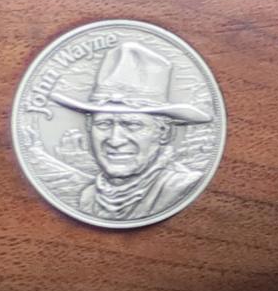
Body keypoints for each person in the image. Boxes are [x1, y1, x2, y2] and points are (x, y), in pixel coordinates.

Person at [47, 39, 216, 224]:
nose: (115, 140)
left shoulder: (181, 186)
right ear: (89, 127)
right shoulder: (88, 197)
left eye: (132, 125)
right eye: (104, 124)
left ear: (164, 132)